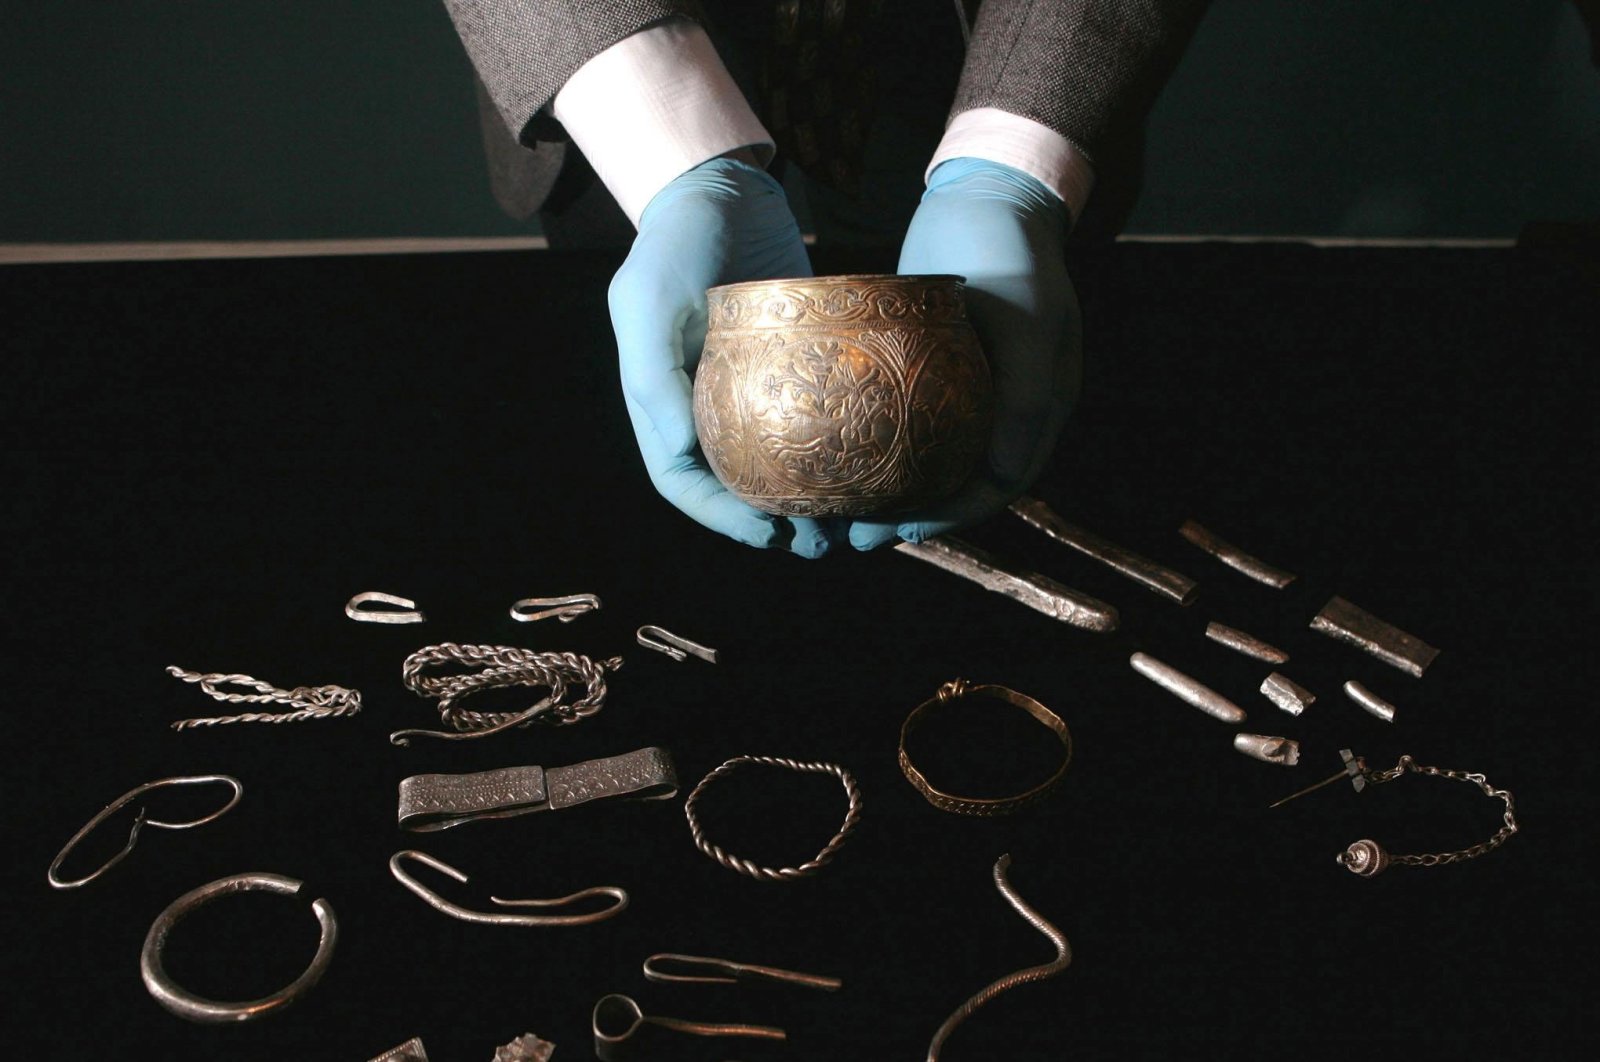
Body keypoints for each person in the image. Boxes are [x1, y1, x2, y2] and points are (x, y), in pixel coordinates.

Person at [441, 0, 1207, 556]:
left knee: (1010, 369)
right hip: (610, 52)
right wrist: (670, 159)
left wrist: (1009, 169)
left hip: (982, 43)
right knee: (629, 434)